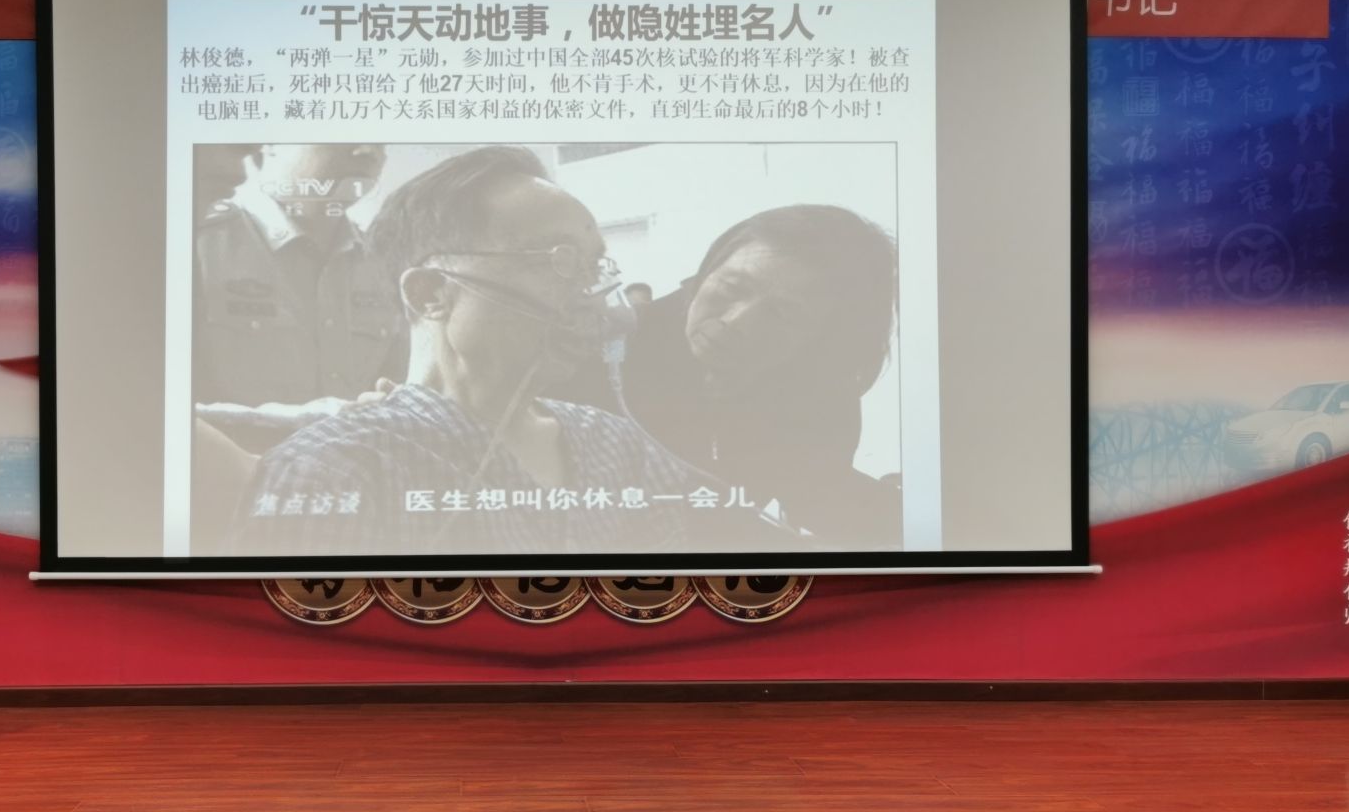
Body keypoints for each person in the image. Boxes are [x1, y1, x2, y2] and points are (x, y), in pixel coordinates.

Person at [230, 146, 752, 557]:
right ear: (430, 294)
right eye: (560, 258)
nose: (594, 297)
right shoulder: (336, 469)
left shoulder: (619, 445)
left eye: (595, 266)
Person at [614, 205, 902, 548]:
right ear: (709, 269)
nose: (736, 322)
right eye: (732, 287)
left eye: (782, 313)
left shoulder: (819, 389)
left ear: (823, 340)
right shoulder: (612, 346)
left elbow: (819, 492)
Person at [193, 142, 403, 408]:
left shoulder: (386, 264)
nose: (368, 151)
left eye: (379, 142)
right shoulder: (197, 241)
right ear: (270, 144)